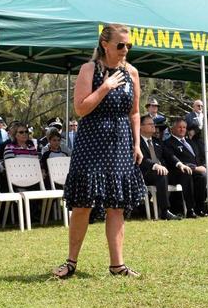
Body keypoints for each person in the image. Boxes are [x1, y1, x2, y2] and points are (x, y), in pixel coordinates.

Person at [53, 23, 147, 279]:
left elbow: (135, 112)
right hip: (91, 142)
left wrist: (136, 143)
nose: (125, 49)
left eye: (129, 45)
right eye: (120, 45)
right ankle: (71, 262)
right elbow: (80, 109)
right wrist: (105, 87)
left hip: (120, 143)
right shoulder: (89, 69)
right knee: (82, 203)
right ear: (105, 45)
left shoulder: (132, 72)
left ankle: (117, 265)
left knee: (116, 205)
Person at [164, 118, 208, 217]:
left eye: (184, 127)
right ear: (172, 129)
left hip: (199, 169)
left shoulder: (190, 142)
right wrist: (194, 168)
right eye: (179, 127)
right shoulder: (168, 143)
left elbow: (200, 157)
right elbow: (172, 159)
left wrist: (202, 166)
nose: (182, 129)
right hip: (182, 171)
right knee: (201, 177)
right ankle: (195, 209)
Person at [139, 115, 182, 221]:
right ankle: (164, 211)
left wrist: (180, 164)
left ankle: (191, 209)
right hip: (145, 173)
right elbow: (141, 159)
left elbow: (169, 155)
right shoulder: (136, 142)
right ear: (141, 126)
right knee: (161, 174)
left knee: (184, 173)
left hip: (162, 171)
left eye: (153, 124)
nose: (153, 126)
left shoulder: (157, 141)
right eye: (150, 124)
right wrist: (155, 165)